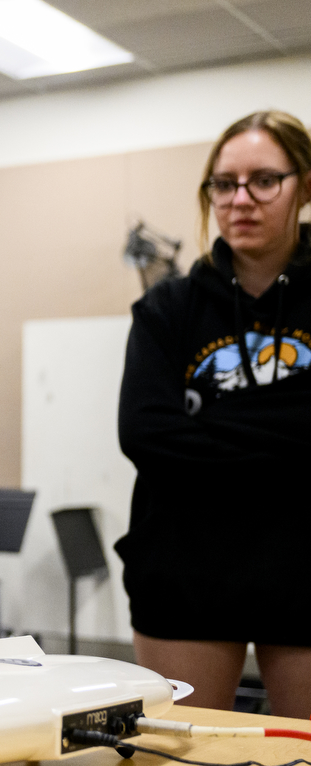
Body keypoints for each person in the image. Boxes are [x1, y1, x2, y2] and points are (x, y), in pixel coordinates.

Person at [116, 110, 311, 719]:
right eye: (224, 184)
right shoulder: (165, 308)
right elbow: (146, 433)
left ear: (304, 186)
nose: (241, 200)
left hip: (306, 567)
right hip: (184, 575)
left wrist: (209, 431)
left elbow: (179, 438)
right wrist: (290, 432)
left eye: (264, 180)